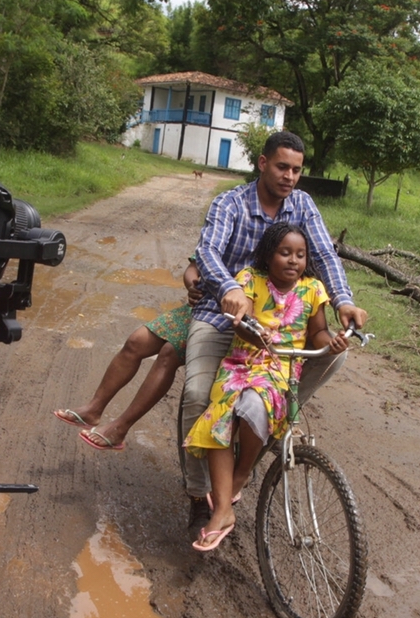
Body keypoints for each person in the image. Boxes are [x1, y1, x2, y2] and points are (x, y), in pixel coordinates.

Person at [180, 131, 368, 538]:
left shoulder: (303, 207)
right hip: (221, 313)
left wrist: (343, 301)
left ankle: (269, 421)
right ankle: (199, 497)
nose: (289, 176)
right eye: (282, 166)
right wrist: (229, 289)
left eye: (297, 170)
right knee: (198, 397)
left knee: (335, 357)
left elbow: (322, 254)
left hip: (279, 337)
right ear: (263, 163)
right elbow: (207, 251)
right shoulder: (229, 202)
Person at [184, 224, 345, 551]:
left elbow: (318, 333)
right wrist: (253, 334)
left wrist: (334, 342)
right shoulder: (250, 281)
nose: (293, 261)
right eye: (285, 253)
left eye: (300, 255)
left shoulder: (313, 289)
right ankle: (223, 512)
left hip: (282, 368)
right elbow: (241, 326)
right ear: (268, 255)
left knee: (257, 405)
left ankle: (241, 474)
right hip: (242, 361)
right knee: (222, 414)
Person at [54, 295, 192, 451]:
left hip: (219, 320)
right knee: (136, 341)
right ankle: (93, 409)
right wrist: (193, 285)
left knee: (170, 353)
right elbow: (194, 270)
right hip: (200, 308)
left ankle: (119, 428)